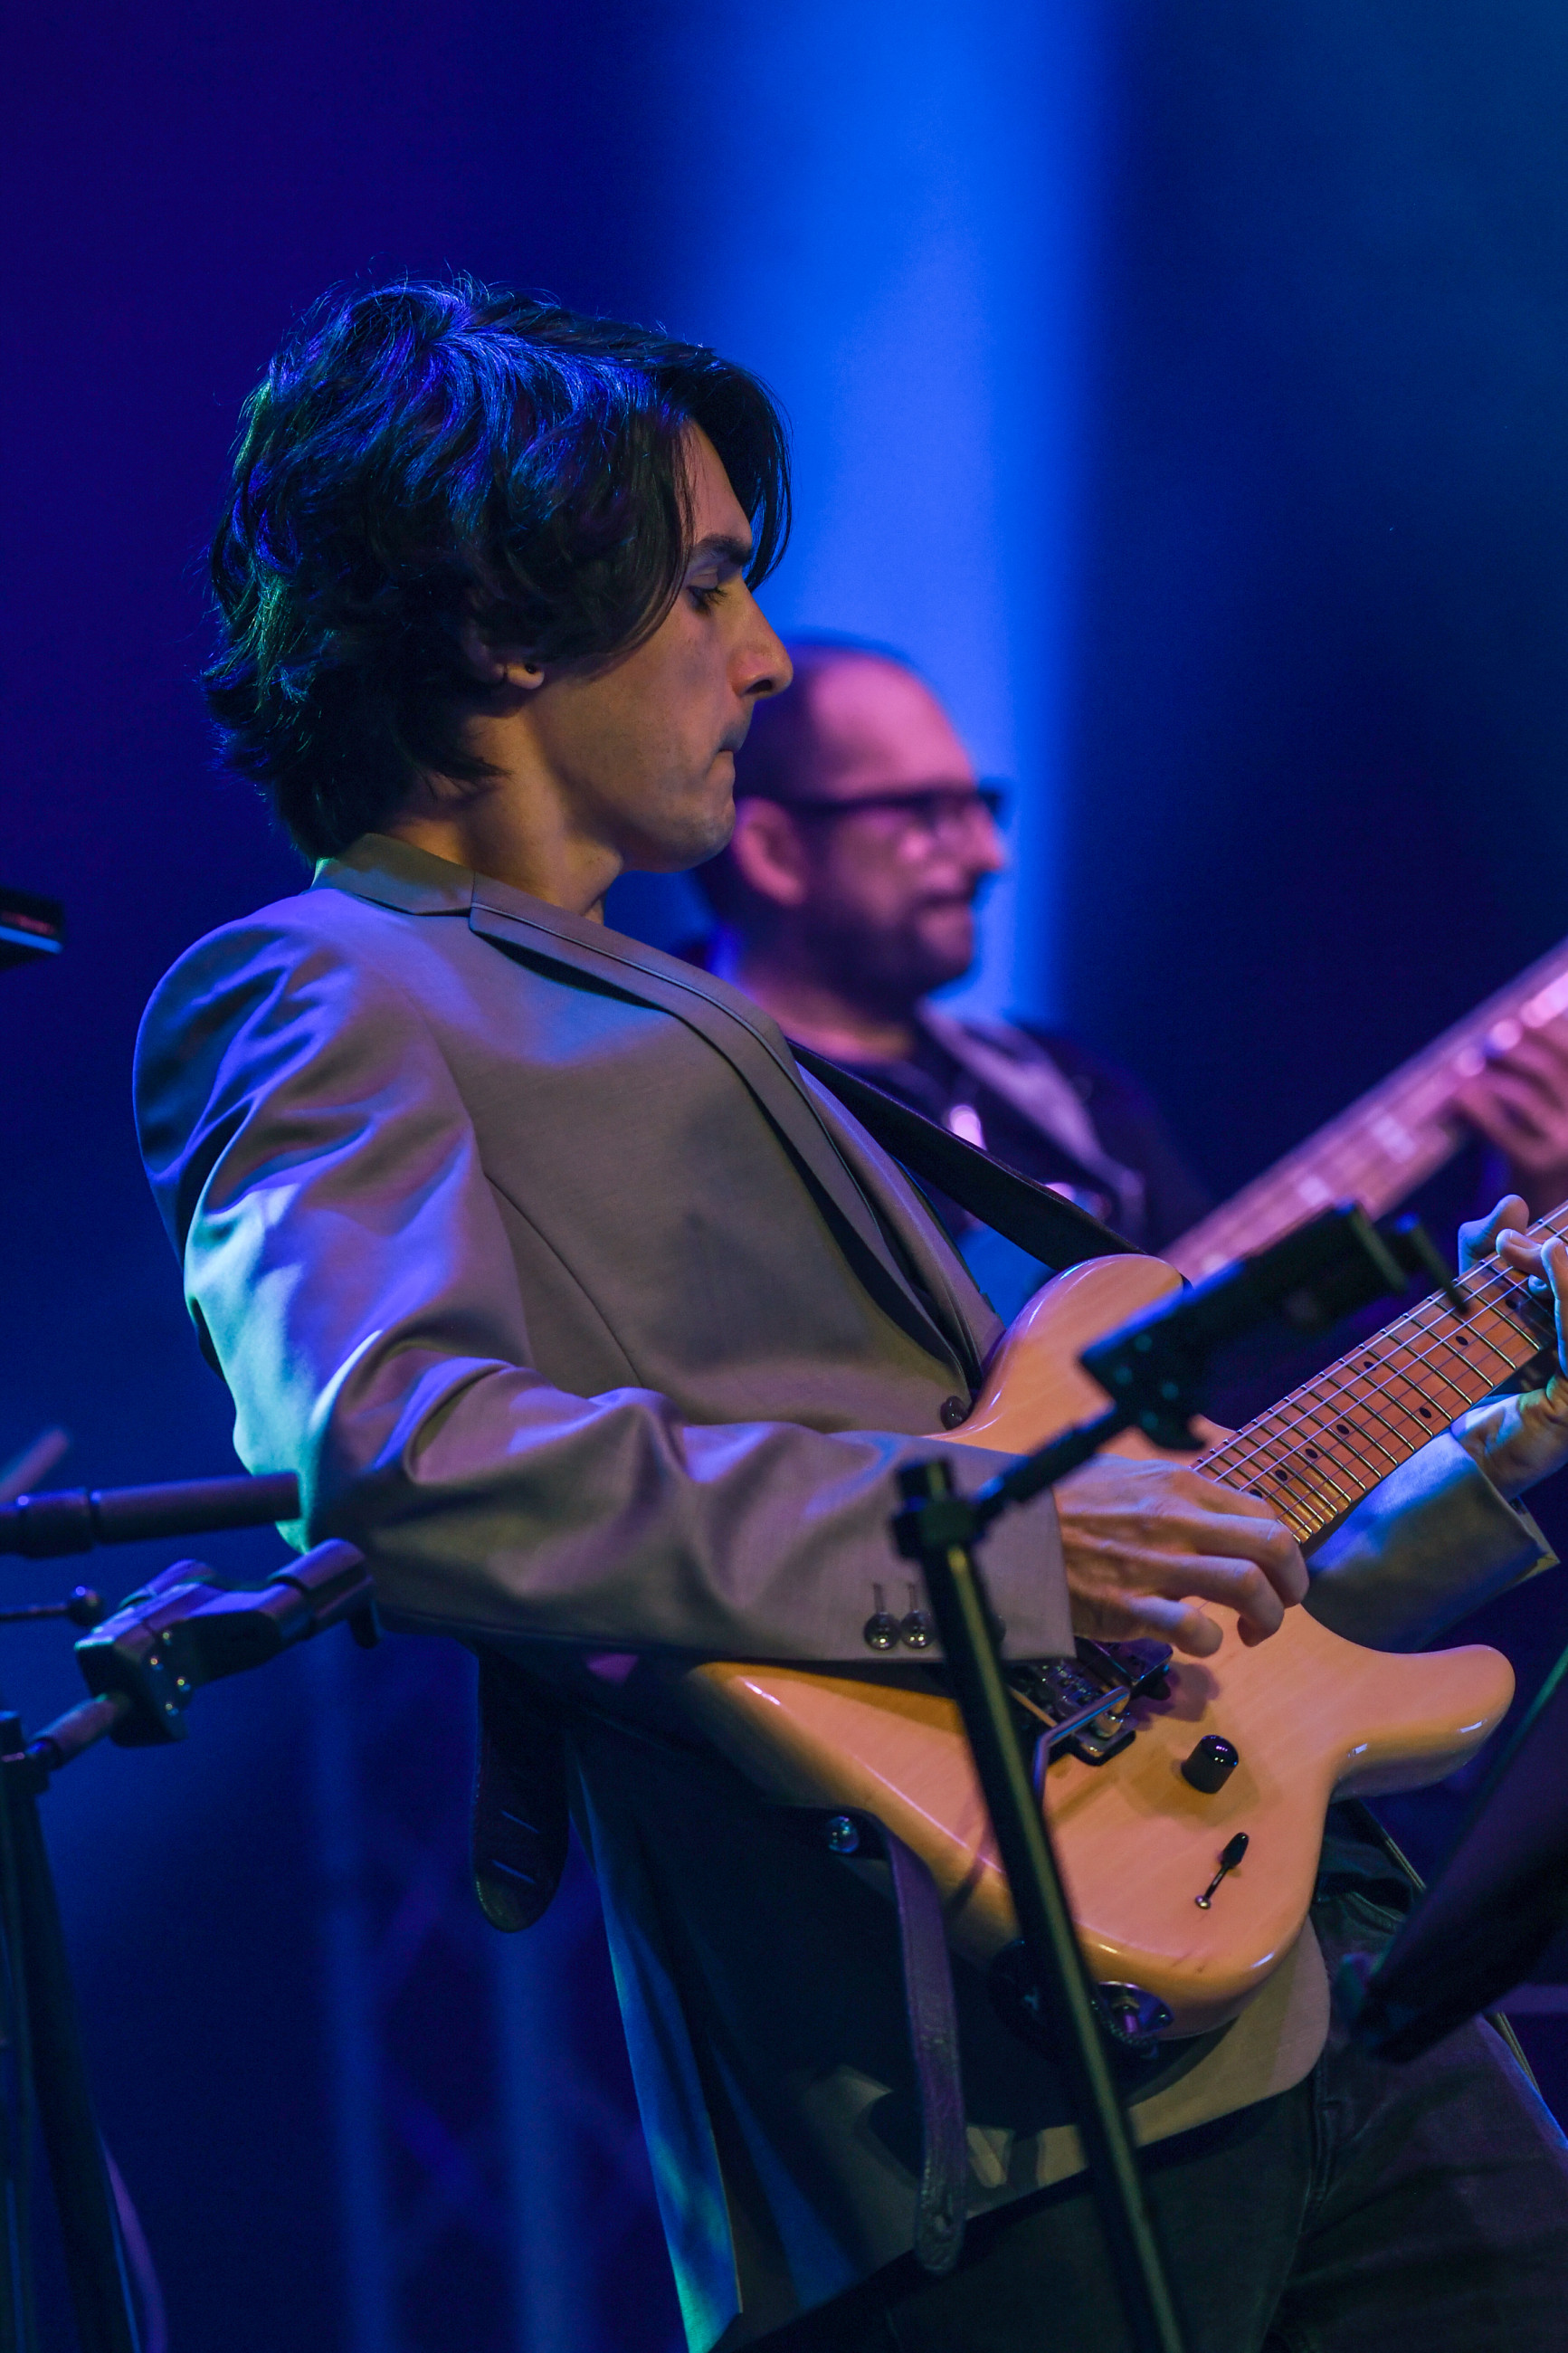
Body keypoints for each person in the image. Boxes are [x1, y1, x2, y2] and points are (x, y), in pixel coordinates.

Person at [135, 277, 1568, 2353]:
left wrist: (1496, 1412)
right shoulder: (322, 985)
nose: (763, 653)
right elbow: (393, 1452)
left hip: (1327, 1982)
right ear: (503, 626)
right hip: (981, 2107)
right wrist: (1000, 1554)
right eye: (706, 582)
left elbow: (1141, 1568)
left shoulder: (687, 1011)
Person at [690, 637, 1568, 1303]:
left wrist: (1524, 1222)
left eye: (979, 807)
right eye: (926, 814)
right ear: (773, 850)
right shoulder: (673, 1098)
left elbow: (1252, 1383)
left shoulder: (1066, 1091)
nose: (989, 856)